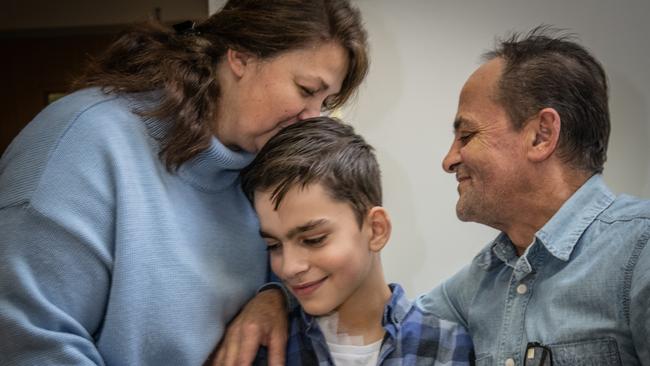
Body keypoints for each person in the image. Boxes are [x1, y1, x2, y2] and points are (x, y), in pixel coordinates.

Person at [0, 0, 369, 364]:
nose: (312, 118)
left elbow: (309, 266)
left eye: (326, 101)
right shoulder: (83, 140)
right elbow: (23, 341)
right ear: (240, 56)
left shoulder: (265, 166)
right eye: (306, 90)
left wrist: (275, 296)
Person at [416, 26, 650, 365]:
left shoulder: (641, 252)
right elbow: (384, 329)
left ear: (542, 136)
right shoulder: (476, 283)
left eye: (467, 135)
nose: (449, 160)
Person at [240, 116, 474, 365]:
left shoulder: (448, 347)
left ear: (376, 230)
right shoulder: (263, 347)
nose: (289, 267)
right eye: (274, 246)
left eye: (313, 240)